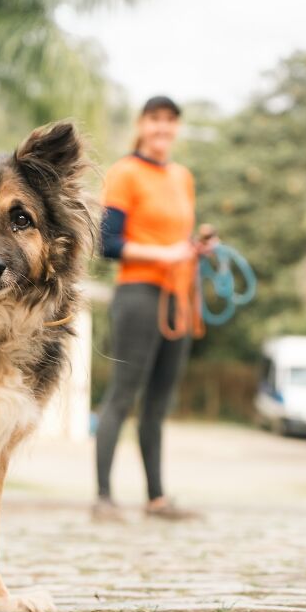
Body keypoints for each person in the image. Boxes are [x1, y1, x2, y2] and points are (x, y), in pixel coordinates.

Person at [94, 95, 213, 522]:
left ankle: (156, 498)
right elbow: (107, 244)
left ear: (177, 127)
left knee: (160, 402)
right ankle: (104, 498)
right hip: (139, 294)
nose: (163, 128)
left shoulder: (182, 176)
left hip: (178, 298)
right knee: (122, 396)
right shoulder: (124, 173)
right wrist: (164, 255)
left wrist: (194, 250)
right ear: (142, 124)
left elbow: (177, 239)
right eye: (155, 120)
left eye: (170, 121)